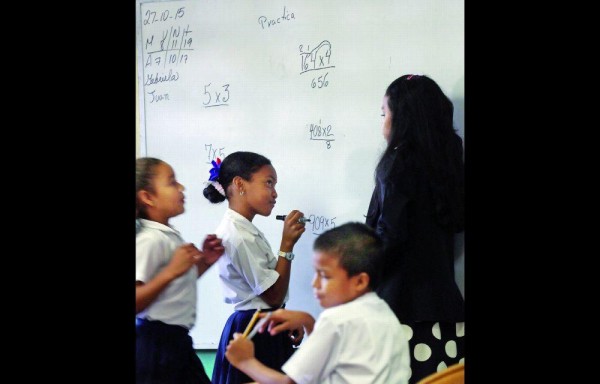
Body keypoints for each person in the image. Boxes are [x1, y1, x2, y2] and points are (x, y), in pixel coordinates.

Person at [365, 74, 465, 383]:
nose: (382, 122)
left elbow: (389, 236)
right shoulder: (448, 161)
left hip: (401, 311)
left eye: (385, 113)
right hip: (446, 310)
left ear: (402, 117)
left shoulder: (397, 163)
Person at [224, 222, 411, 384]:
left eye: (325, 276)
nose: (315, 283)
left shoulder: (336, 320)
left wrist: (245, 361)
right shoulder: (382, 311)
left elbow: (292, 382)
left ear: (360, 282)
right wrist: (308, 321)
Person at [203, 151, 307, 384]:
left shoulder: (245, 229)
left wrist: (282, 317)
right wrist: (287, 244)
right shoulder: (238, 235)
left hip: (261, 325)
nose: (274, 193)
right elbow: (273, 296)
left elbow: (271, 295)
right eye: (268, 183)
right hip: (254, 332)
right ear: (240, 184)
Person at [135, 157, 225, 384]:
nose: (181, 188)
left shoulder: (166, 235)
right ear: (148, 197)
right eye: (172, 182)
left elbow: (172, 288)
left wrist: (204, 262)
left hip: (175, 342)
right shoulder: (150, 240)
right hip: (156, 345)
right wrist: (171, 271)